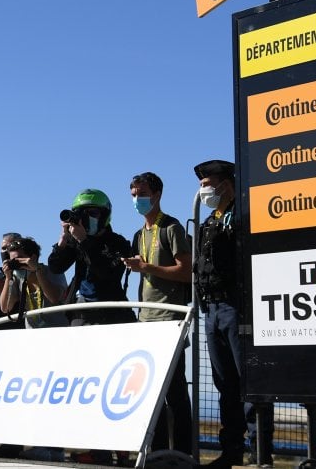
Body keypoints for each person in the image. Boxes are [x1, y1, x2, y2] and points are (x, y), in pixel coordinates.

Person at [194, 160, 273, 468]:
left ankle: (261, 452)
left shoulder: (243, 216)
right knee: (225, 384)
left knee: (249, 382)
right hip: (211, 310)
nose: (204, 191)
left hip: (237, 307)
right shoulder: (209, 221)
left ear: (227, 184)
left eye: (208, 184)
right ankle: (231, 451)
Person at [122, 171, 193, 454]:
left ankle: (184, 453)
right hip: (146, 319)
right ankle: (159, 452)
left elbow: (187, 272)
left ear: (157, 195)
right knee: (153, 393)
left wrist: (147, 268)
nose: (137, 200)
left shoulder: (171, 227)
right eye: (134, 195)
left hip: (170, 319)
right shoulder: (139, 234)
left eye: (142, 194)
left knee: (175, 391)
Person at [47, 188, 136, 326]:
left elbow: (106, 273)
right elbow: (55, 267)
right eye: (81, 214)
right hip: (82, 312)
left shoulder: (118, 242)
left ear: (105, 215)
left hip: (114, 312)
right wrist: (63, 241)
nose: (86, 218)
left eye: (92, 213)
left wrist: (84, 242)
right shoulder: (75, 240)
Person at [0, 236, 67, 328]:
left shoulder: (52, 271)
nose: (16, 263)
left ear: (33, 257)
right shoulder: (16, 278)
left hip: (57, 331)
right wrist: (8, 278)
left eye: (19, 259)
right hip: (32, 334)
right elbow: (5, 308)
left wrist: (37, 271)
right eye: (13, 260)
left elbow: (54, 298)